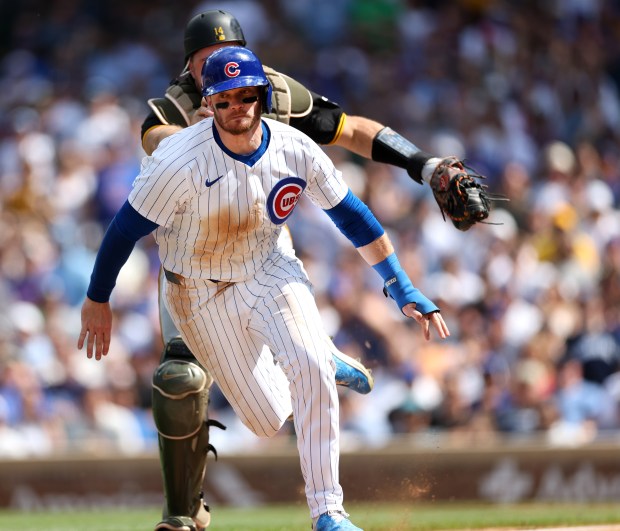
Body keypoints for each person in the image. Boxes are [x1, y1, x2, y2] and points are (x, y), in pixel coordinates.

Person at [78, 46, 450, 531]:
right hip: (198, 293)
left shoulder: (294, 147)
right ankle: (319, 355)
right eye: (225, 98)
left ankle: (328, 512)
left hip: (269, 269)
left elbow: (352, 216)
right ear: (208, 104)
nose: (239, 107)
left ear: (261, 94)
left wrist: (401, 286)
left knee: (309, 367)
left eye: (247, 95)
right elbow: (123, 231)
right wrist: (97, 299)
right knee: (267, 420)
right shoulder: (177, 160)